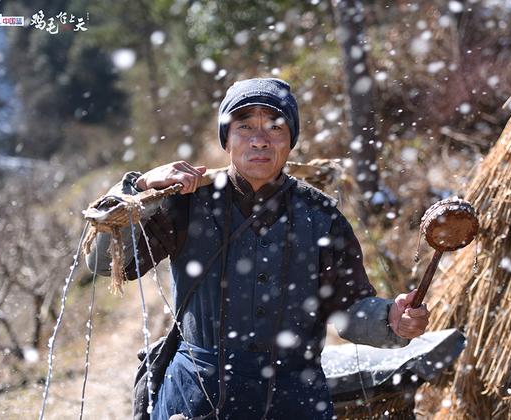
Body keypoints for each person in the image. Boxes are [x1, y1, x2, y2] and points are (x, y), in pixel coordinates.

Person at [86, 78, 429, 419]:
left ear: (291, 140)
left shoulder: (322, 218)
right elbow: (104, 264)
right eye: (245, 126)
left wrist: (390, 320)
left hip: (293, 400)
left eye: (275, 127)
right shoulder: (186, 204)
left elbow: (350, 310)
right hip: (196, 398)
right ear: (227, 139)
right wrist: (138, 186)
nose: (260, 140)